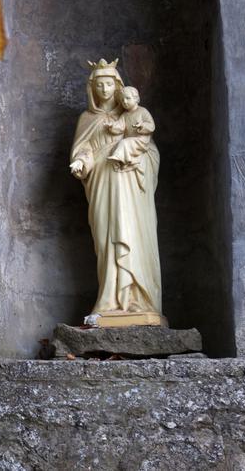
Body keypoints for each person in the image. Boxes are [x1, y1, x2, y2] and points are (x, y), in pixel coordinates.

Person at [69, 60, 162, 316]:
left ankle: (139, 301)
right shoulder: (87, 119)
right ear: (92, 88)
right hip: (102, 183)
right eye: (99, 84)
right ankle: (109, 300)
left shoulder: (133, 115)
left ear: (118, 86)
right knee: (106, 239)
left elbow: (149, 149)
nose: (104, 89)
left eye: (109, 83)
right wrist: (81, 162)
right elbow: (83, 150)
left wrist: (137, 158)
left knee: (132, 234)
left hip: (130, 187)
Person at [106, 86, 156, 186]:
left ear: (136, 98)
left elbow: (152, 126)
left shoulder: (142, 111)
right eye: (122, 100)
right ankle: (122, 160)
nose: (125, 101)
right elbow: (120, 127)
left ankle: (119, 157)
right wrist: (112, 126)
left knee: (125, 142)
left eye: (128, 98)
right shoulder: (124, 115)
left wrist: (142, 126)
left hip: (141, 140)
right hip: (131, 141)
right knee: (124, 143)